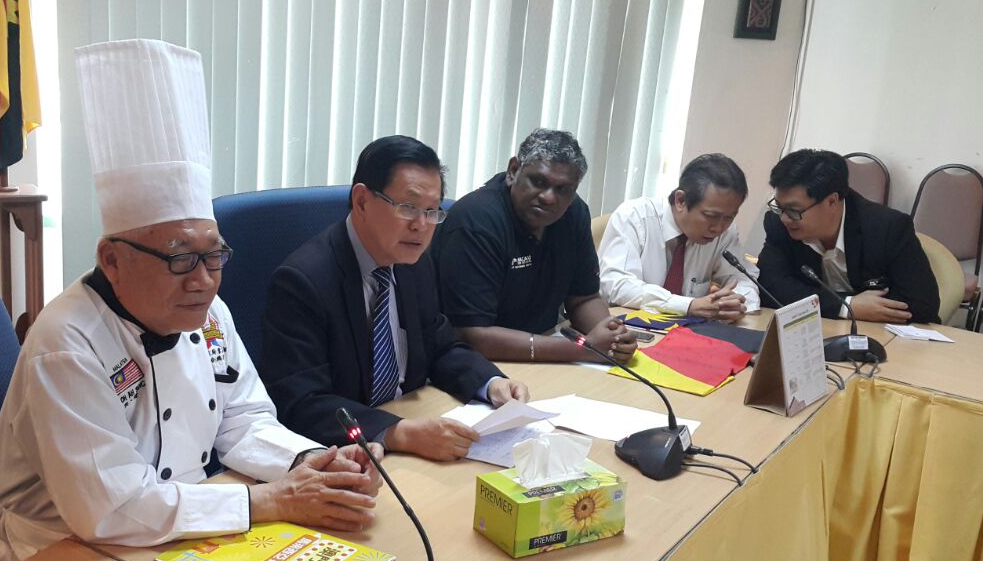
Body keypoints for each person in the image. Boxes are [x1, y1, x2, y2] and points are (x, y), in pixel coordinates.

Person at [0, 39, 381, 561]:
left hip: (182, 523)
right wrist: (269, 502)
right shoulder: (67, 344)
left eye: (215, 255)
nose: (204, 281)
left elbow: (243, 417)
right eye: (180, 258)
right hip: (55, 551)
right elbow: (110, 507)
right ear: (111, 260)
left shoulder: (210, 314)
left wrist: (310, 465)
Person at [260, 135, 529, 463]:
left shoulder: (413, 263)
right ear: (361, 201)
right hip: (351, 452)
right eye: (408, 208)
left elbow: (440, 346)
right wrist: (400, 433)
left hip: (415, 429)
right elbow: (301, 402)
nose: (421, 226)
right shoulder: (303, 281)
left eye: (432, 211)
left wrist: (490, 383)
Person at [429, 128, 637, 363]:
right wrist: (583, 349)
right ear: (514, 171)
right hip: (478, 364)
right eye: (538, 182)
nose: (549, 197)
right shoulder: (476, 220)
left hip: (543, 348)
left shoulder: (574, 213)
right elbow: (472, 335)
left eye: (563, 189)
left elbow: (584, 298)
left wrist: (611, 337)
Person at [758, 149, 939, 323]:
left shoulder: (888, 228)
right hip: (819, 331)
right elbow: (769, 287)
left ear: (832, 201)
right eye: (779, 207)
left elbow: (922, 305)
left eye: (793, 210)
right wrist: (845, 306)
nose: (784, 218)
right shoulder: (778, 224)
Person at [598, 153, 760, 321]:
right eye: (711, 215)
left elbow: (745, 279)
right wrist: (686, 305)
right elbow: (616, 285)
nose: (719, 228)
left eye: (729, 217)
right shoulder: (634, 217)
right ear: (681, 200)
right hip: (628, 330)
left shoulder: (726, 232)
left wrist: (735, 301)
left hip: (688, 335)